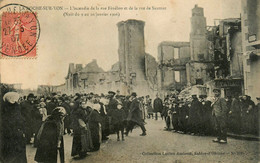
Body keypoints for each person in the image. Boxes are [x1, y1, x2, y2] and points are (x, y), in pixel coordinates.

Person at [1, 92, 27, 163]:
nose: (19, 101)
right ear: (13, 99)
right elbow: (19, 121)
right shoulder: (15, 108)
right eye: (18, 99)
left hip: (6, 137)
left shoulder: (4, 108)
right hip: (15, 137)